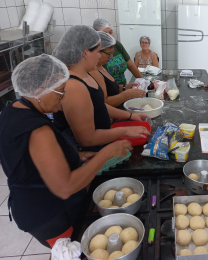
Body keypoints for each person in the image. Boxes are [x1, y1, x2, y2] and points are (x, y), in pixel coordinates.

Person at [0, 54, 133, 249]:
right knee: (71, 250)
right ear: (39, 91)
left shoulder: (12, 111)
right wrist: (108, 152)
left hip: (29, 207)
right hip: (49, 214)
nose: (62, 99)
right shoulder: (38, 130)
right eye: (60, 92)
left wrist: (75, 156)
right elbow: (65, 187)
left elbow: (28, 159)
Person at [52, 25, 150, 151]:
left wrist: (130, 116)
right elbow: (86, 139)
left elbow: (99, 106)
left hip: (102, 140)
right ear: (86, 53)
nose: (100, 56)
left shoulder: (86, 73)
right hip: (88, 151)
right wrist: (125, 130)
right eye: (98, 51)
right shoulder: (73, 85)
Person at [90, 32, 145, 108]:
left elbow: (110, 88)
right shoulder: (93, 72)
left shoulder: (101, 66)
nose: (111, 57)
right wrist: (127, 94)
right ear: (97, 51)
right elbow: (104, 103)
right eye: (109, 53)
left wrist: (124, 88)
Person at [93, 18, 143, 91]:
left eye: (111, 32)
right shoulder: (96, 57)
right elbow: (105, 98)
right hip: (111, 93)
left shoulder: (117, 45)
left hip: (122, 89)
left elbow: (131, 66)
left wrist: (144, 82)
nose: (109, 36)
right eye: (105, 33)